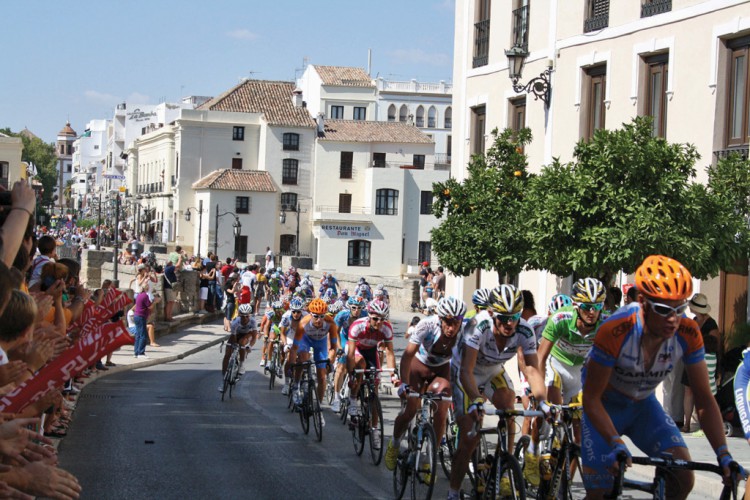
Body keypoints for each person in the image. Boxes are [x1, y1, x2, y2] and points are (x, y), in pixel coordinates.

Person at [581, 255, 743, 499]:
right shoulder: (615, 330)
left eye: (680, 309)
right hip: (604, 408)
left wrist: (723, 454)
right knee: (601, 490)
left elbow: (704, 399)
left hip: (644, 408)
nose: (673, 319)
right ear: (643, 302)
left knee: (683, 478)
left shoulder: (688, 332)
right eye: (665, 310)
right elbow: (591, 398)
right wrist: (614, 440)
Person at [447, 285, 548, 500]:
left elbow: (531, 369)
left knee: (508, 406)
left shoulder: (524, 330)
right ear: (492, 313)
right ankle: (454, 492)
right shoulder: (478, 326)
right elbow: (466, 370)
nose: (509, 323)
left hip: (493, 370)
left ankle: (504, 462)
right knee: (469, 435)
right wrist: (476, 399)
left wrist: (544, 403)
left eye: (514, 317)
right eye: (503, 318)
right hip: (466, 370)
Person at [533, 278, 606, 486]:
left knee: (579, 440)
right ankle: (535, 450)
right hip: (556, 366)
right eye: (586, 306)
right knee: (557, 412)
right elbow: (540, 358)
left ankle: (562, 485)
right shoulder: (561, 318)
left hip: (579, 372)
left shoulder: (604, 325)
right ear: (576, 306)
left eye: (597, 306)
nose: (592, 312)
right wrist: (539, 393)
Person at [385, 297, 466, 471]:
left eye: (456, 323)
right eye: (448, 322)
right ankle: (395, 443)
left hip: (441, 369)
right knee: (410, 410)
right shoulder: (427, 325)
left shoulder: (465, 332)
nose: (451, 328)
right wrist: (404, 384)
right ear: (440, 319)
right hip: (418, 366)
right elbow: (407, 356)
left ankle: (430, 458)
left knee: (441, 410)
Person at [345, 299, 398, 447]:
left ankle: (375, 429)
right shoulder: (357, 326)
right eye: (375, 319)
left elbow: (390, 352)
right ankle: (354, 398)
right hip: (356, 350)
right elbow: (350, 354)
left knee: (374, 390)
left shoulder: (386, 328)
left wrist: (393, 374)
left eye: (382, 319)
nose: (379, 322)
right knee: (360, 363)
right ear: (369, 316)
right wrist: (351, 374)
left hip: (371, 351)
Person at [288, 298, 339, 425]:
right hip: (306, 340)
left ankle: (318, 407)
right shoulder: (303, 324)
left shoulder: (331, 323)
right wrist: (292, 363)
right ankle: (296, 385)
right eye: (315, 316)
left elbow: (333, 347)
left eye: (322, 316)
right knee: (303, 359)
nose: (319, 319)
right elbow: (294, 348)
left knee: (322, 377)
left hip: (320, 343)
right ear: (310, 314)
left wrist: (330, 361)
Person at [681, 292, 721, 433]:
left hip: (704, 362)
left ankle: (701, 425)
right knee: (688, 390)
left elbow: (714, 348)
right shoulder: (694, 320)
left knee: (702, 393)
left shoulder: (711, 325)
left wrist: (717, 372)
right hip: (691, 360)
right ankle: (687, 424)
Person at [331, 296, 368, 413]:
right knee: (341, 368)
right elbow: (335, 332)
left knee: (361, 367)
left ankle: (353, 399)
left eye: (359, 308)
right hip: (345, 338)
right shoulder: (342, 315)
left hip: (358, 340)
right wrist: (339, 348)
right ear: (349, 307)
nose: (357, 310)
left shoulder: (365, 315)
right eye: (354, 308)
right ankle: (336, 398)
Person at [219, 304, 259, 392]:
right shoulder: (235, 322)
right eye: (242, 316)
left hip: (247, 334)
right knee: (227, 355)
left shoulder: (253, 321)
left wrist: (250, 346)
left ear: (250, 315)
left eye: (247, 316)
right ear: (239, 315)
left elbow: (254, 336)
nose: (244, 318)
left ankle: (241, 364)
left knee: (242, 343)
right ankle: (224, 379)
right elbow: (233, 337)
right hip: (236, 334)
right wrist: (232, 346)